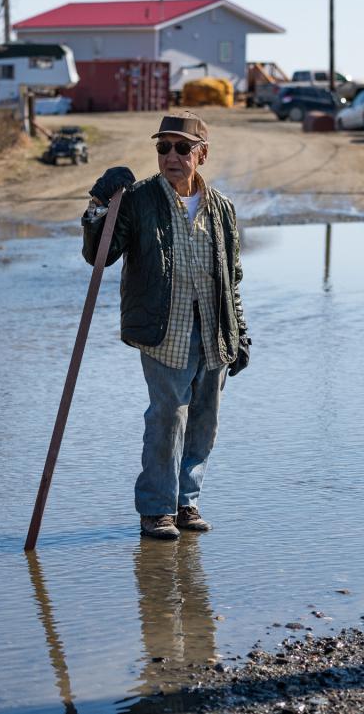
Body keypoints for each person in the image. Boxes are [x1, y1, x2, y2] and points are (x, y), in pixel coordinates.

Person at [82, 111, 249, 540]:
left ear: (202, 154)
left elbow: (232, 277)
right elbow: (99, 254)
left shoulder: (223, 210)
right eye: (162, 147)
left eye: (181, 147)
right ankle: (156, 509)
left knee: (204, 422)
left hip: (214, 332)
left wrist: (240, 333)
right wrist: (99, 207)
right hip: (163, 332)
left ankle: (186, 503)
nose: (170, 156)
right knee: (167, 418)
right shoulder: (138, 201)